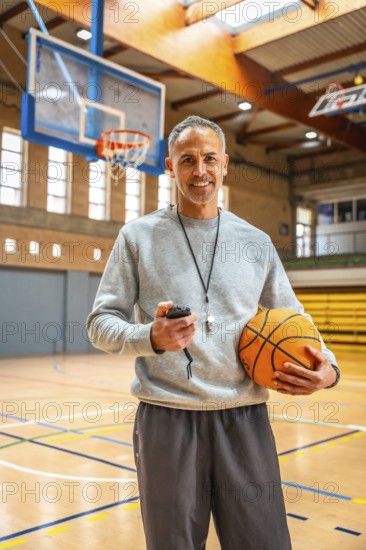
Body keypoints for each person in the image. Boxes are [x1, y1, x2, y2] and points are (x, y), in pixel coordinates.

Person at [86, 115, 340, 550]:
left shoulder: (256, 242)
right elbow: (100, 324)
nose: (199, 171)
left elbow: (295, 317)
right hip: (167, 417)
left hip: (244, 419)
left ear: (224, 164)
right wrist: (151, 336)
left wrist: (328, 369)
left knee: (265, 542)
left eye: (208, 159)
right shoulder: (138, 237)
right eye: (187, 160)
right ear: (170, 166)